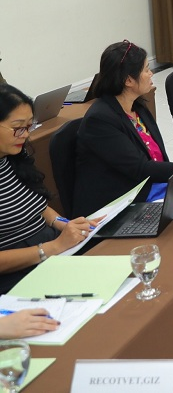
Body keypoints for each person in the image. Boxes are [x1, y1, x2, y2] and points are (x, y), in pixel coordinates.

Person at [74, 41, 173, 218]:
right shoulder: (100, 120)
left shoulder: (137, 106)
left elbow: (157, 159)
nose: (151, 73)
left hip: (153, 188)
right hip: (121, 204)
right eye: (146, 69)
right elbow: (139, 168)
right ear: (128, 80)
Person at [0, 84, 101, 294]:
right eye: (18, 127)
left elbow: (36, 204)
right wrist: (52, 248)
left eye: (29, 126)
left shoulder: (12, 157)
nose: (25, 135)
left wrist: (64, 223)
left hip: (50, 247)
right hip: (18, 271)